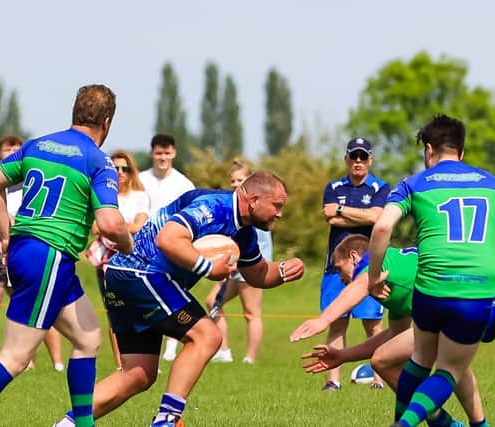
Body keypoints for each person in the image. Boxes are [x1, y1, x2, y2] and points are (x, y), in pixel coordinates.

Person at [0, 84, 133, 427]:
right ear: (107, 122)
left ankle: (83, 424)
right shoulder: (99, 161)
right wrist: (127, 245)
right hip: (49, 257)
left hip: (33, 253)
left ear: (75, 112)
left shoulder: (38, 145)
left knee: (87, 337)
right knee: (16, 357)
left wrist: (7, 236)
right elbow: (110, 223)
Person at [52, 171, 305, 427]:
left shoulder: (244, 232)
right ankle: (166, 421)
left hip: (124, 275)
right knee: (207, 336)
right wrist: (208, 268)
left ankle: (67, 425)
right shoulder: (213, 206)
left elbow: (259, 274)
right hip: (142, 273)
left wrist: (283, 271)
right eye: (277, 205)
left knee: (138, 374)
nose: (280, 214)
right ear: (253, 200)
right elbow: (168, 239)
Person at [366, 114, 495, 427]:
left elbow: (382, 226)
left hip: (430, 288)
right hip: (477, 291)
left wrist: (373, 278)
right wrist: (490, 258)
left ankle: (406, 422)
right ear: (461, 153)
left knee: (419, 362)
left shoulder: (413, 184)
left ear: (429, 150)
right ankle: (405, 424)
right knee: (449, 371)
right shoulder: (494, 185)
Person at [293, 234, 495, 427]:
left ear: (354, 257)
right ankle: (465, 422)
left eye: (340, 269)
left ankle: (439, 421)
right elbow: (395, 336)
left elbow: (361, 285)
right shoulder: (394, 269)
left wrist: (323, 320)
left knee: (387, 359)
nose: (340, 277)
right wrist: (344, 355)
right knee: (448, 362)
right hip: (479, 300)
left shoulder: (374, 266)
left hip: (469, 300)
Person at [0, 135, 63, 370]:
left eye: (16, 148)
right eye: (7, 148)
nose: (11, 151)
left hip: (24, 248)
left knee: (30, 301)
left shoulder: (30, 177)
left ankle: (50, 361)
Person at [319, 136, 390, 390]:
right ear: (346, 159)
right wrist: (360, 215)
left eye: (363, 157)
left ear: (370, 160)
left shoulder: (381, 187)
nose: (358, 162)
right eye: (353, 156)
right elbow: (329, 216)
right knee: (337, 322)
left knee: (373, 324)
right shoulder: (334, 186)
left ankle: (380, 379)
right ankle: (333, 381)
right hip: (336, 268)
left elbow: (377, 218)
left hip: (369, 268)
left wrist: (342, 211)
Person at [87, 149, 150, 367]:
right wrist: (122, 229)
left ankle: (144, 359)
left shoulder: (140, 196)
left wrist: (113, 228)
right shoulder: (102, 196)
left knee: (140, 309)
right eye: (115, 168)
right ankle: (121, 363)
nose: (120, 172)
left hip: (133, 260)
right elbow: (96, 227)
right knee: (115, 312)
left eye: (125, 168)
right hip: (106, 261)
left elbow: (140, 225)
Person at [206, 159, 272, 364]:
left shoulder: (256, 211)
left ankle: (249, 358)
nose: (235, 184)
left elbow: (254, 246)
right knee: (213, 302)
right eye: (232, 180)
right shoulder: (234, 208)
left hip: (251, 267)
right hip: (235, 267)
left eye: (240, 180)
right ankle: (223, 351)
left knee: (251, 312)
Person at [139, 133, 195, 361]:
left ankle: (171, 347)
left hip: (174, 244)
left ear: (174, 153)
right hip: (144, 244)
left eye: (167, 153)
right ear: (152, 154)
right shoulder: (141, 179)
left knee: (174, 290)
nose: (162, 157)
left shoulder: (184, 184)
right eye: (158, 153)